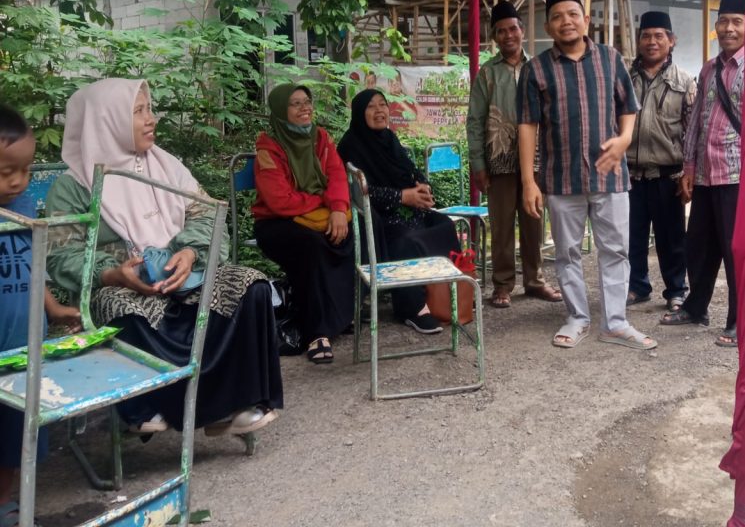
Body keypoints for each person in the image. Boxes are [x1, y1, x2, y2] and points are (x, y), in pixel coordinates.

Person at [45, 79, 283, 435]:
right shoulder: (74, 186)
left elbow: (208, 215)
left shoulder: (167, 166)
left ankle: (238, 401)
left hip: (187, 275)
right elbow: (61, 255)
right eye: (138, 111)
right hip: (124, 285)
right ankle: (155, 406)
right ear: (107, 121)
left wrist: (190, 252)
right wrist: (112, 273)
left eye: (149, 109)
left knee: (251, 286)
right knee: (117, 305)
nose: (151, 119)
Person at [518, 0, 656, 350]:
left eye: (572, 14)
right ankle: (577, 317)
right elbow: (527, 125)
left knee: (616, 250)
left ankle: (615, 323)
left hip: (610, 176)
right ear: (547, 27)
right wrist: (529, 181)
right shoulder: (536, 69)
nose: (566, 21)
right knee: (566, 253)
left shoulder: (610, 59)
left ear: (586, 20)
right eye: (557, 17)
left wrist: (624, 139)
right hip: (561, 178)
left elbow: (628, 107)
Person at [0, 104, 81, 524]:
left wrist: (54, 309)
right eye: (5, 172)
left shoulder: (26, 207)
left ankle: (4, 500)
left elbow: (31, 269)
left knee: (17, 429)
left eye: (25, 170)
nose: (17, 180)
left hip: (23, 346)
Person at [337, 89, 461, 335]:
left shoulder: (390, 139)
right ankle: (412, 307)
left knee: (444, 224)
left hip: (409, 209)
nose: (379, 111)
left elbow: (412, 171)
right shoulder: (351, 145)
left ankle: (444, 294)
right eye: (371, 106)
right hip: (378, 217)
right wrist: (402, 197)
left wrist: (422, 187)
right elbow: (360, 192)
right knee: (406, 239)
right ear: (359, 113)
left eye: (382, 104)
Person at [661, 0, 745, 347]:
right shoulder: (709, 69)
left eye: (737, 22)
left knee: (735, 251)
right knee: (698, 246)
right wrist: (689, 167)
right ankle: (696, 308)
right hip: (706, 174)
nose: (729, 28)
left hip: (738, 175)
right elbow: (696, 120)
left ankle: (740, 321)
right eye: (723, 21)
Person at [466, 0, 562, 309]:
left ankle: (534, 280)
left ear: (522, 30)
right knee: (502, 224)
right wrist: (478, 164)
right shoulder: (487, 74)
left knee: (534, 221)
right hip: (499, 160)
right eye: (501, 31)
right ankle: (503, 284)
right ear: (495, 37)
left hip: (536, 161)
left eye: (512, 29)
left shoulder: (540, 68)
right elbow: (475, 120)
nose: (508, 35)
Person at [253, 83, 354, 365]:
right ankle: (316, 332)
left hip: (318, 216)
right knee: (311, 246)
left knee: (347, 234)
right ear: (280, 110)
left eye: (307, 101)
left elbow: (336, 175)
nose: (304, 108)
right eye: (295, 103)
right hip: (276, 223)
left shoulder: (320, 138)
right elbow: (279, 200)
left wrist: (338, 208)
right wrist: (323, 202)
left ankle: (339, 317)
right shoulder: (269, 147)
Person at [625, 11, 697, 313]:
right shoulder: (625, 79)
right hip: (630, 174)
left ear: (671, 41)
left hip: (669, 175)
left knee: (672, 239)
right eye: (646, 36)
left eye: (658, 36)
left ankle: (676, 290)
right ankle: (637, 286)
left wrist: (689, 172)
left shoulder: (685, 81)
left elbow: (692, 131)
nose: (651, 42)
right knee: (632, 237)